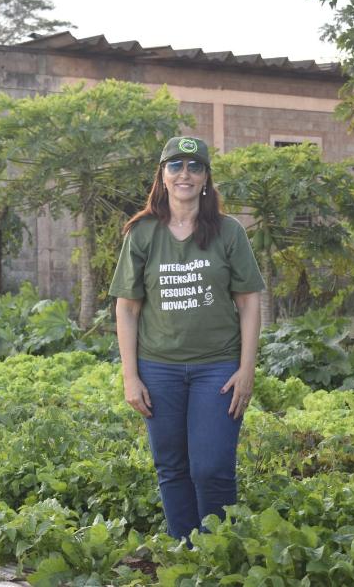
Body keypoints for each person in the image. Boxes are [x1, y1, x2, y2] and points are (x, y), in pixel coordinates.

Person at [108, 136, 264, 541]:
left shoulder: (228, 232)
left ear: (206, 178)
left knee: (211, 467)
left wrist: (246, 370)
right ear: (162, 176)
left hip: (217, 368)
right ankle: (186, 553)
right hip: (159, 370)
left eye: (195, 167)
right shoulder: (141, 234)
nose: (185, 174)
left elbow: (249, 303)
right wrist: (131, 376)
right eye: (175, 166)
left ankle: (218, 551)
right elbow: (126, 308)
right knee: (172, 466)